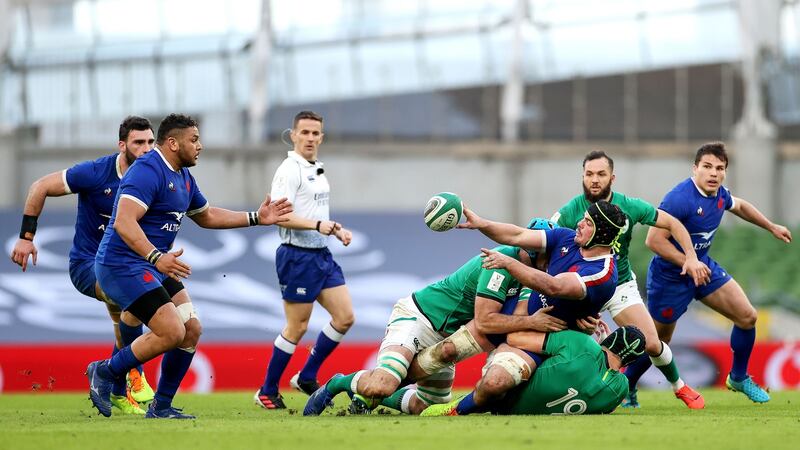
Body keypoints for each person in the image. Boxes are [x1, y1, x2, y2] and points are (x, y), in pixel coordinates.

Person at [85, 113, 292, 419]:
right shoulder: (147, 170)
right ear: (172, 143)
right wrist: (157, 257)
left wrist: (256, 217)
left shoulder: (182, 176)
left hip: (152, 265)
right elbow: (124, 222)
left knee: (191, 329)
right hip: (121, 265)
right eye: (194, 140)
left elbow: (206, 215)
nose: (200, 146)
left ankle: (161, 406)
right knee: (170, 330)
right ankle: (104, 371)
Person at [303, 219, 568, 417]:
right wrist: (533, 322)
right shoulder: (499, 263)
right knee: (384, 383)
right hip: (418, 318)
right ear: (530, 250)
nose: (547, 265)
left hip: (446, 334)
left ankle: (368, 395)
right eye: (544, 257)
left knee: (424, 406)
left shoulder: (530, 275)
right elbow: (486, 322)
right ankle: (338, 382)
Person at [419, 200, 627, 415]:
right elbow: (517, 235)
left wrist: (508, 263)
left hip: (538, 339)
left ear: (602, 233)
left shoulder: (602, 273)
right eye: (583, 219)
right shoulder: (567, 237)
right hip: (513, 314)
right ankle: (389, 389)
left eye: (588, 222)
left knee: (494, 384)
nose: (580, 224)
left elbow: (554, 287)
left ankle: (455, 410)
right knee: (444, 352)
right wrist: (482, 224)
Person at [10, 116, 158, 415]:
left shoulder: (153, 177)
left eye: (150, 142)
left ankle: (116, 389)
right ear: (122, 146)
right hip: (86, 265)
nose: (146, 149)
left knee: (128, 311)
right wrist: (26, 237)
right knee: (130, 299)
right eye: (138, 143)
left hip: (123, 264)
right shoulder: (96, 173)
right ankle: (134, 374)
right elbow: (39, 187)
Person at [626, 142, 792, 404]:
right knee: (658, 341)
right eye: (707, 167)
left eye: (720, 168)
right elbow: (654, 241)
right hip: (670, 278)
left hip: (703, 269)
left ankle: (738, 377)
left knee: (747, 316)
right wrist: (687, 262)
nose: (714, 173)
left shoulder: (719, 195)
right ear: (695, 169)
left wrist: (770, 226)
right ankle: (627, 386)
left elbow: (740, 206)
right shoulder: (679, 198)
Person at [551, 150, 709, 409]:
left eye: (601, 174)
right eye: (589, 174)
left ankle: (679, 387)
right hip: (583, 289)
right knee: (568, 349)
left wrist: (690, 257)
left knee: (651, 343)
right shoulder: (570, 211)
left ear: (612, 178)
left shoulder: (630, 206)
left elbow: (674, 224)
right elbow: (545, 242)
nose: (594, 180)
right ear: (582, 177)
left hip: (619, 283)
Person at [255, 111, 356, 410]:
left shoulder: (316, 168)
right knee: (297, 326)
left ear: (321, 137)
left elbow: (314, 213)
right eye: (305, 133)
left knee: (345, 317)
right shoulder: (289, 170)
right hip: (296, 256)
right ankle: (266, 390)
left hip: (321, 255)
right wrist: (316, 227)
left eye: (316, 133)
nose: (310, 138)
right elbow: (281, 215)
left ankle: (307, 375)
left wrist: (335, 229)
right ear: (293, 135)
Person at [421, 326, 646, 416]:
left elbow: (515, 338)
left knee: (522, 348)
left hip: (501, 395)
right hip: (512, 407)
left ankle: (457, 408)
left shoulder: (584, 345)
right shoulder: (621, 389)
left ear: (611, 337)